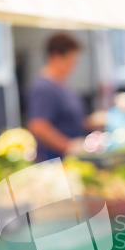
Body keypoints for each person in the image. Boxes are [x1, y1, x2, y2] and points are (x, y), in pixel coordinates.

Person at [27, 33, 87, 161]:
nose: (73, 65)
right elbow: (39, 126)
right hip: (54, 161)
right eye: (70, 60)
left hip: (69, 159)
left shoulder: (62, 85)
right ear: (55, 57)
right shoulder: (44, 87)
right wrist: (68, 146)